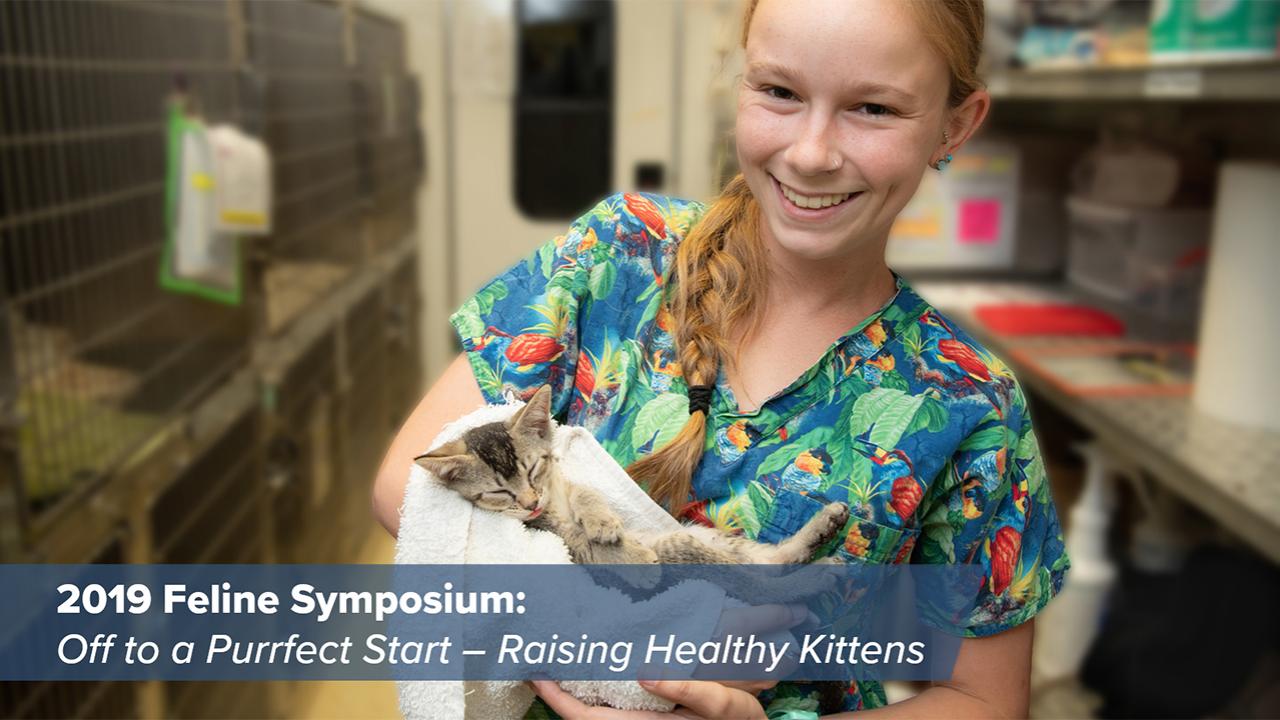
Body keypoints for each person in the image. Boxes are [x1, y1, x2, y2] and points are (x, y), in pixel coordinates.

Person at [374, 0, 1070, 716]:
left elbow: (982, 698)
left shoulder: (965, 401)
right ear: (738, 84)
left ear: (954, 125)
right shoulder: (619, 259)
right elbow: (406, 484)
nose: (810, 152)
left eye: (872, 108)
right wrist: (614, 638)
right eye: (779, 92)